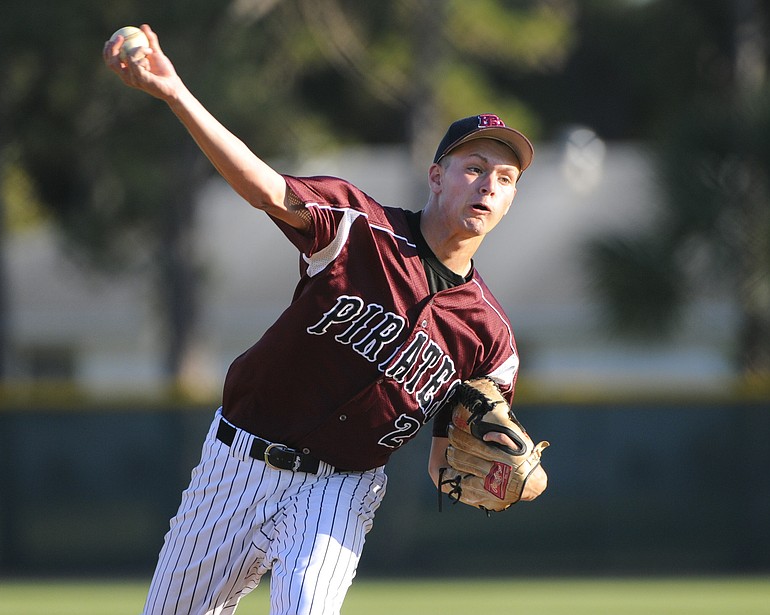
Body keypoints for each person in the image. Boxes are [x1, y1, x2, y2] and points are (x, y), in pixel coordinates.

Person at [104, 24, 547, 615]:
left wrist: (514, 477)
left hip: (340, 490)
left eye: (505, 178)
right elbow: (264, 188)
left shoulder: (490, 339)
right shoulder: (356, 227)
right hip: (239, 461)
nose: (488, 186)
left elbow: (449, 465)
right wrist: (176, 93)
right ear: (437, 175)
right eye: (474, 167)